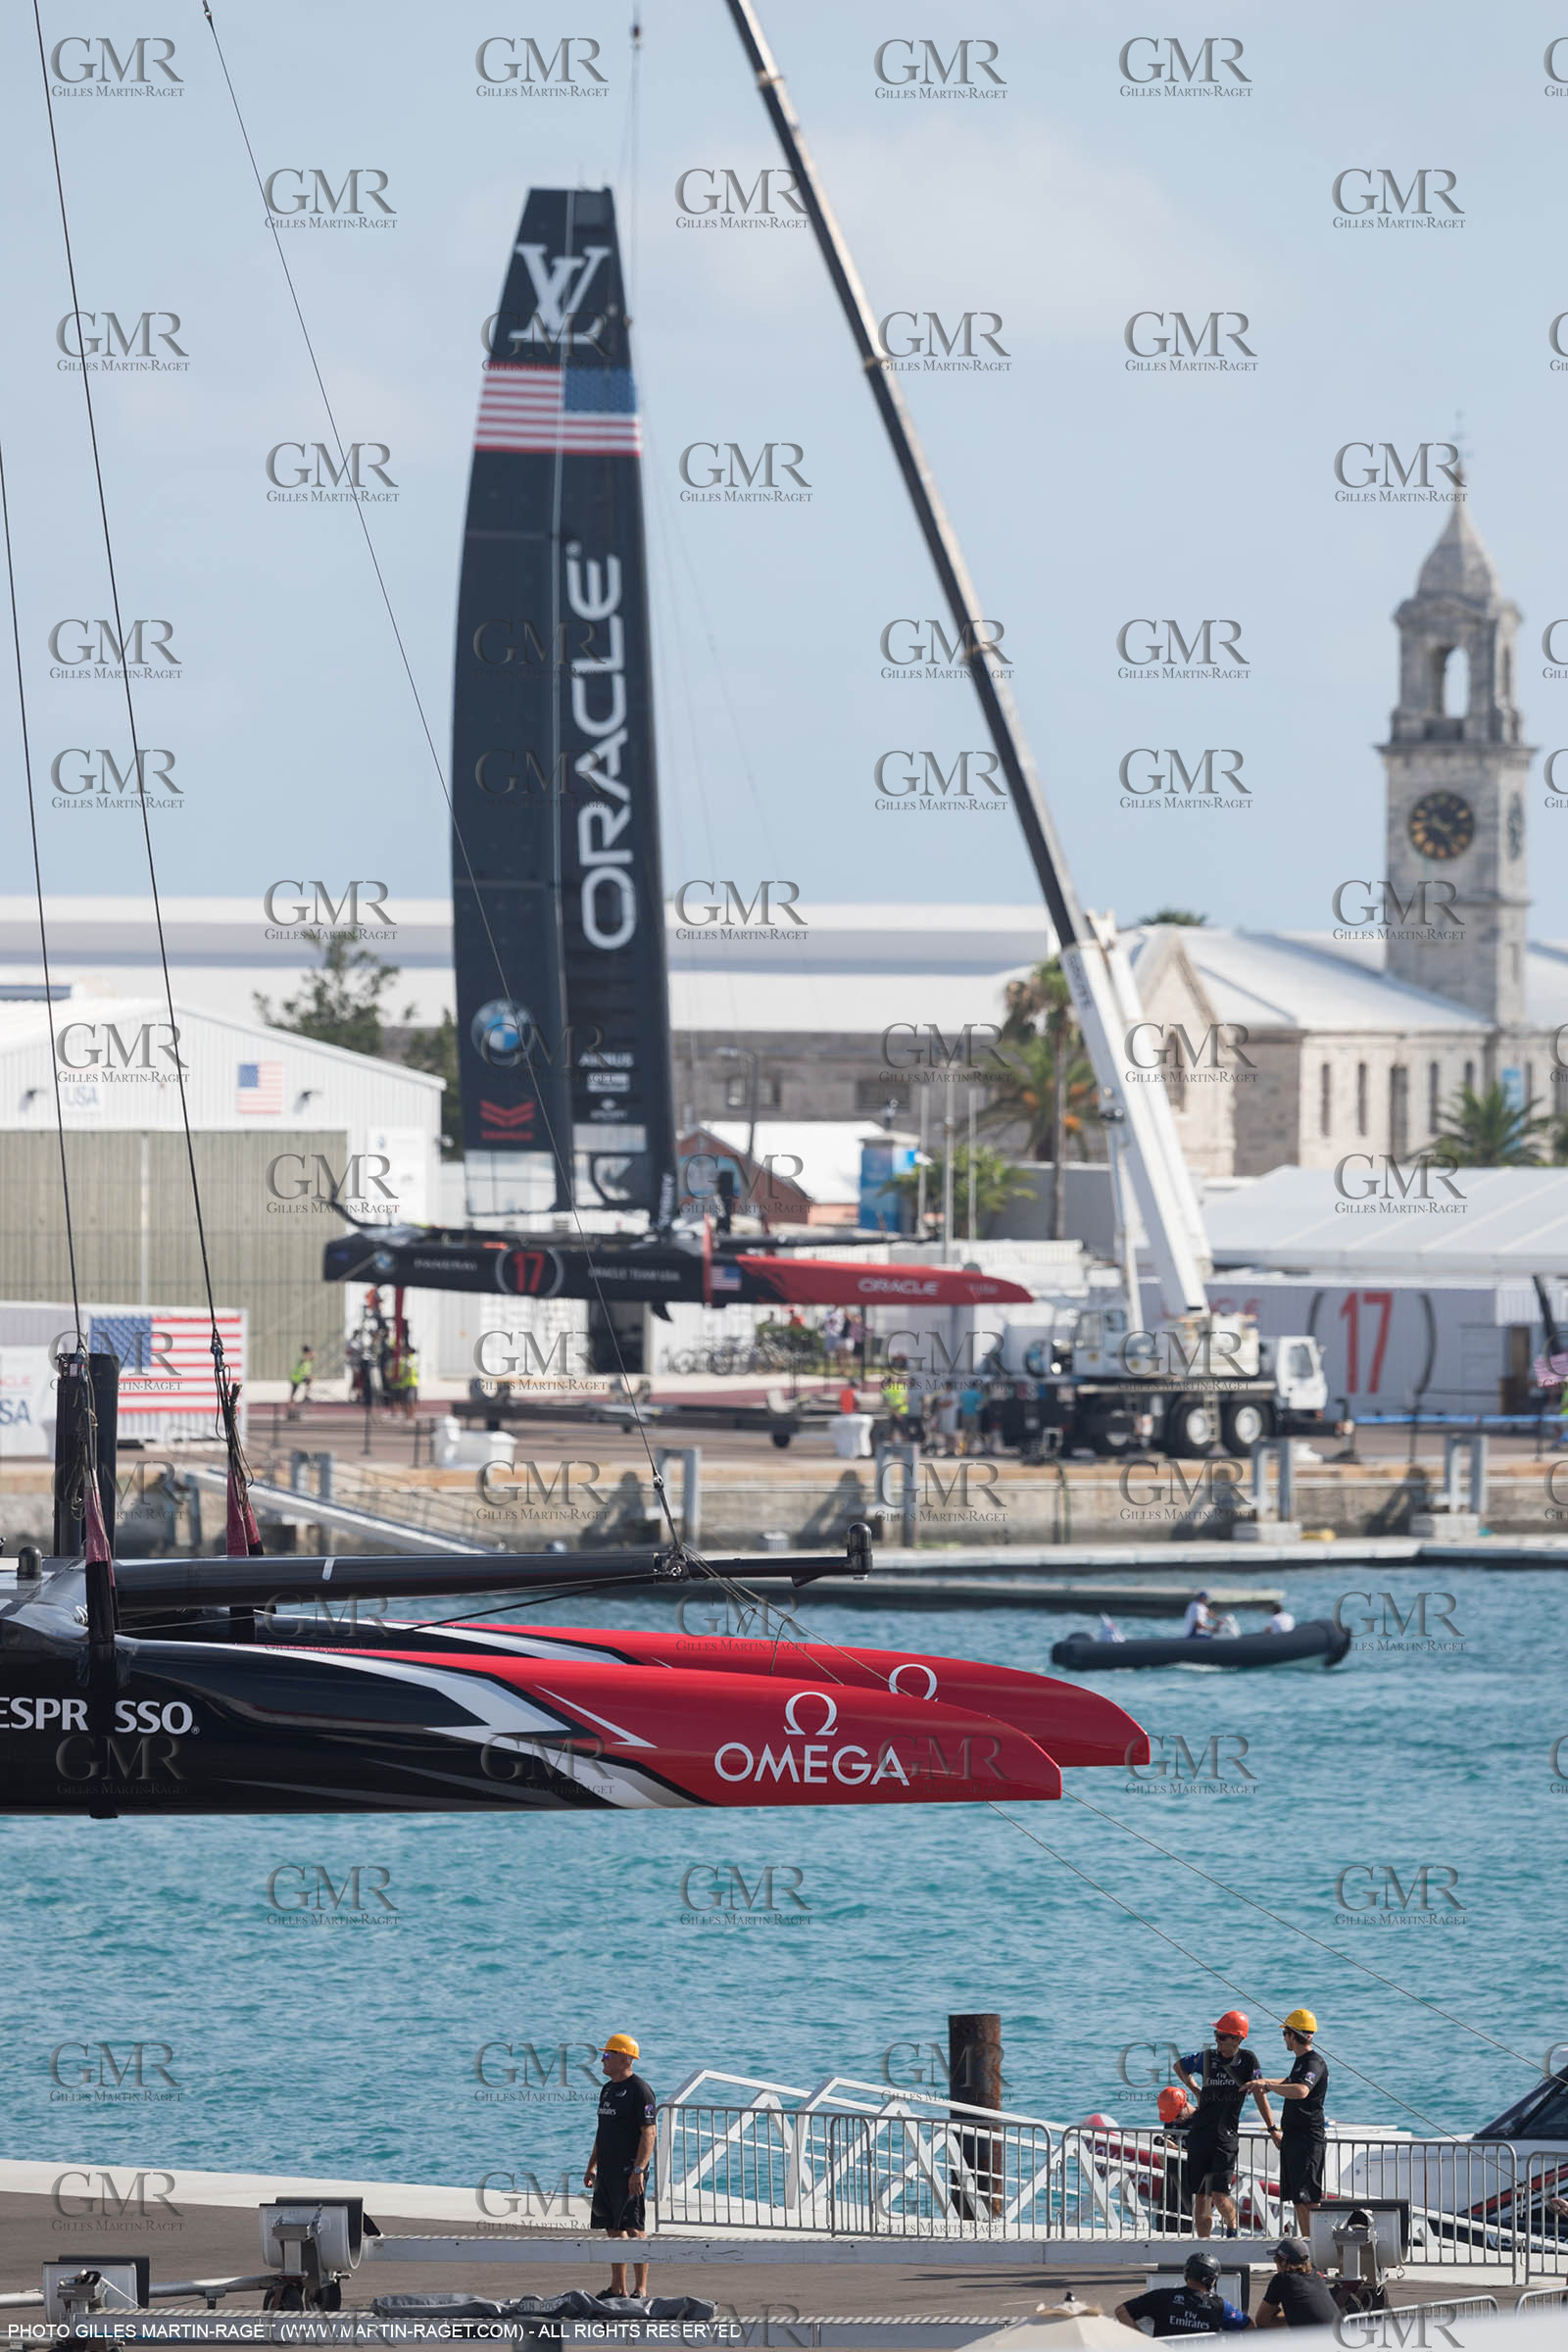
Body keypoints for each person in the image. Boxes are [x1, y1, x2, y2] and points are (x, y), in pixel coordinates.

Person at [1174, 2010, 1277, 2238]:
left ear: (1238, 2039)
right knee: (1201, 2197)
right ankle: (1204, 2245)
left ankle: (1232, 2229)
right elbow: (1179, 2066)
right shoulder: (1208, 2057)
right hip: (1201, 2134)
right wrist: (1196, 2090)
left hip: (1226, 2136)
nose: (1217, 2041)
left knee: (1220, 2196)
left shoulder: (1248, 2060)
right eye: (1216, 2035)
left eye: (1222, 2037)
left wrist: (1272, 2129)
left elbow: (1260, 2095)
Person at [584, 2033, 656, 2299]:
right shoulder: (607, 2089)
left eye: (607, 2055)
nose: (602, 2060)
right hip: (607, 2171)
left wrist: (639, 2170)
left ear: (625, 2058)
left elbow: (649, 2133)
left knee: (633, 2228)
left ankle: (641, 2289)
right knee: (613, 2228)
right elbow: (602, 2132)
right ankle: (618, 2288)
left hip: (629, 2172)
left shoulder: (640, 2090)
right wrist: (592, 2166)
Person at [1253, 2011, 1329, 2236]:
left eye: (1285, 2034)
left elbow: (1301, 2090)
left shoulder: (1314, 2062)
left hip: (1308, 2139)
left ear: (1292, 2034)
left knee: (1309, 2200)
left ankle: (1318, 2251)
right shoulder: (1300, 2063)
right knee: (1298, 2199)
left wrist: (1268, 2086)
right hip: (1294, 2138)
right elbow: (1290, 2081)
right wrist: (1262, 2082)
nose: (1284, 2039)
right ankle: (1307, 2248)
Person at [1115, 2250, 1250, 2335]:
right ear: (1212, 2280)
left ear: (1187, 2273)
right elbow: (1249, 2328)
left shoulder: (1161, 2296)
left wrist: (1146, 2343)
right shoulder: (1220, 2306)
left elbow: (1121, 2311)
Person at [1252, 2238, 1340, 2329]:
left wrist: (1285, 2318)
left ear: (1283, 2262)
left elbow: (1261, 2321)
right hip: (1341, 2336)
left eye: (1276, 2260)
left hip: (1314, 2339)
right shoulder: (1317, 2277)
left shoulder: (1282, 2279)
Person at [287, 1346, 315, 1417]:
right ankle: (290, 1411)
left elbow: (312, 1358)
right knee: (293, 1395)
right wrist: (309, 1354)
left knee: (310, 1379)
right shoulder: (304, 1358)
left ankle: (306, 1396)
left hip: (301, 1378)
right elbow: (305, 1359)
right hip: (296, 1378)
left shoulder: (308, 1360)